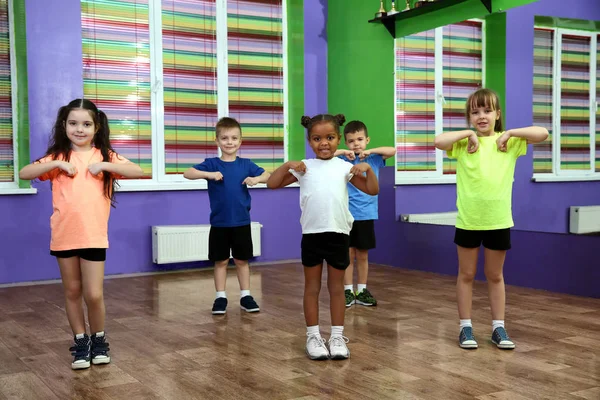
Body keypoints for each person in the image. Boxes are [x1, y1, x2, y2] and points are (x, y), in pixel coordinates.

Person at [19, 99, 144, 369]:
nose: (80, 129)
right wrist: (56, 165)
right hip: (64, 236)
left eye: (86, 124)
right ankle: (80, 341)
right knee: (72, 291)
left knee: (94, 294)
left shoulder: (105, 154)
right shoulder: (58, 157)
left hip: (93, 236)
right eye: (73, 123)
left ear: (96, 127)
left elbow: (138, 170)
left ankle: (99, 340)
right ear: (64, 126)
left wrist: (106, 167)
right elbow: (25, 172)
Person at [434, 88, 548, 350]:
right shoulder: (463, 144)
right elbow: (439, 141)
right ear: (470, 117)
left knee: (495, 276)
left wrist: (510, 133)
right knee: (467, 274)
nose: (481, 116)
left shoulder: (509, 143)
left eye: (487, 111)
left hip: (498, 220)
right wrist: (468, 134)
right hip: (469, 220)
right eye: (475, 112)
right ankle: (465, 328)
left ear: (498, 114)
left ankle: (499, 327)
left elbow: (542, 133)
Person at [267, 114, 379, 360]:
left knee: (337, 288)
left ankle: (337, 336)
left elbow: (372, 189)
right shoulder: (304, 167)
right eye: (317, 138)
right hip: (312, 236)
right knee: (312, 288)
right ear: (310, 141)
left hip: (339, 235)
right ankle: (313, 336)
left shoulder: (343, 167)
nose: (324, 143)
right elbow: (272, 184)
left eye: (329, 137)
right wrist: (288, 165)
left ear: (338, 139)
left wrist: (368, 168)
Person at [184, 117, 270, 315]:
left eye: (234, 138)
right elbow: (188, 173)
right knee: (220, 261)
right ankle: (220, 297)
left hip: (241, 222)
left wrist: (256, 179)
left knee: (242, 260)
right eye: (225, 138)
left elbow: (268, 175)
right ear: (217, 141)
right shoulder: (211, 164)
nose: (229, 142)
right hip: (220, 223)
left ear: (240, 141)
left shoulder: (246, 164)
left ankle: (246, 295)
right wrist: (209, 175)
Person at [335, 120, 396, 307]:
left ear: (367, 140)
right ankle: (347, 290)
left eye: (360, 139)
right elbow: (327, 154)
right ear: (346, 143)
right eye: (351, 141)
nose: (356, 144)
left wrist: (371, 151)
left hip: (367, 214)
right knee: (347, 254)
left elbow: (392, 150)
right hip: (346, 214)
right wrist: (344, 152)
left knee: (362, 254)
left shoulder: (373, 159)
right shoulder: (342, 160)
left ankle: (361, 290)